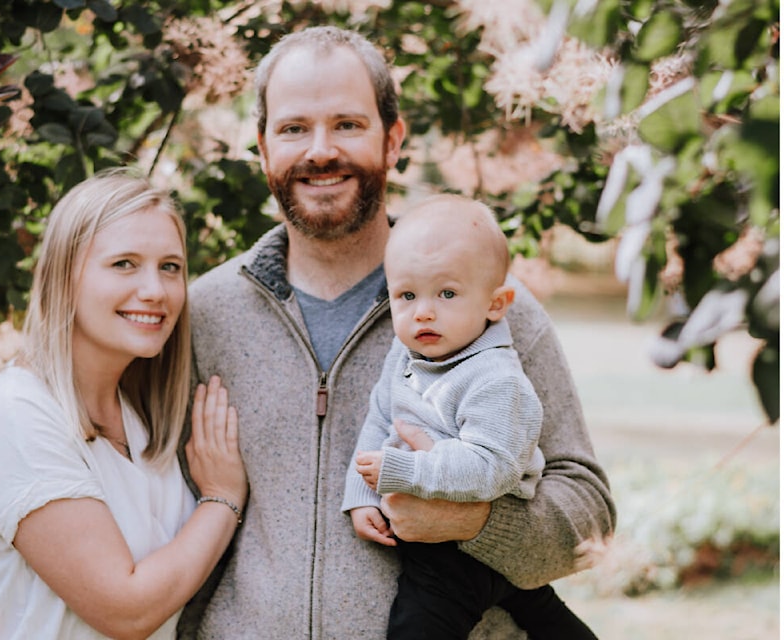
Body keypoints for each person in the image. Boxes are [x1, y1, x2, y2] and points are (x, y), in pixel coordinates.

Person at [181, 25, 614, 639]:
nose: (321, 150)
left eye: (348, 125)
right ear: (262, 147)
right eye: (294, 128)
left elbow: (588, 521)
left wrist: (474, 522)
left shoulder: (494, 315)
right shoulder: (204, 315)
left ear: (393, 140)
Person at [0, 169, 247, 640]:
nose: (154, 290)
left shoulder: (140, 423)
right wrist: (223, 499)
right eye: (124, 263)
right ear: (65, 276)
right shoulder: (12, 414)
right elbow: (125, 610)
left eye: (170, 267)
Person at [342, 194, 597, 639]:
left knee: (418, 626)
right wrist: (362, 492)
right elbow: (381, 420)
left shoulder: (497, 378)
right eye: (406, 295)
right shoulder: (407, 354)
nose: (423, 310)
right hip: (449, 536)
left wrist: (404, 470)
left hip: (469, 550)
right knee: (540, 611)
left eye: (447, 293)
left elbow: (491, 469)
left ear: (496, 304)